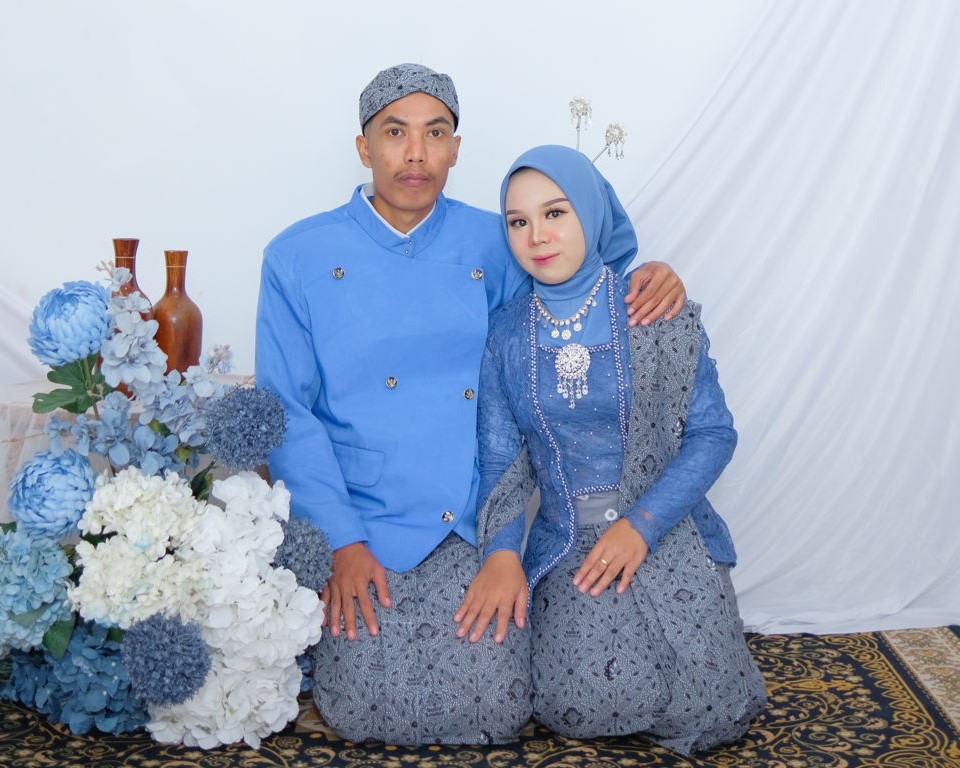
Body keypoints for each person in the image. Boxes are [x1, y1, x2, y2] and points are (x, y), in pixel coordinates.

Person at [255, 64, 686, 745]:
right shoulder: (296, 256)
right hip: (361, 518)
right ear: (364, 148)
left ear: (456, 149)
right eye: (395, 133)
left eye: (435, 134)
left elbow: (580, 285)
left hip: (475, 513)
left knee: (494, 708)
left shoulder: (498, 240)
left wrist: (648, 276)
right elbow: (285, 411)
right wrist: (340, 541)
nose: (416, 153)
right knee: (362, 708)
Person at [457, 145, 766, 755]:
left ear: (593, 213)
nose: (536, 236)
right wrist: (501, 553)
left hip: (665, 530)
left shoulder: (654, 310)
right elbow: (500, 461)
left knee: (709, 704)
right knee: (578, 704)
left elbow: (713, 434)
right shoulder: (507, 335)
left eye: (555, 213)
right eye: (518, 221)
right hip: (568, 545)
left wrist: (640, 526)